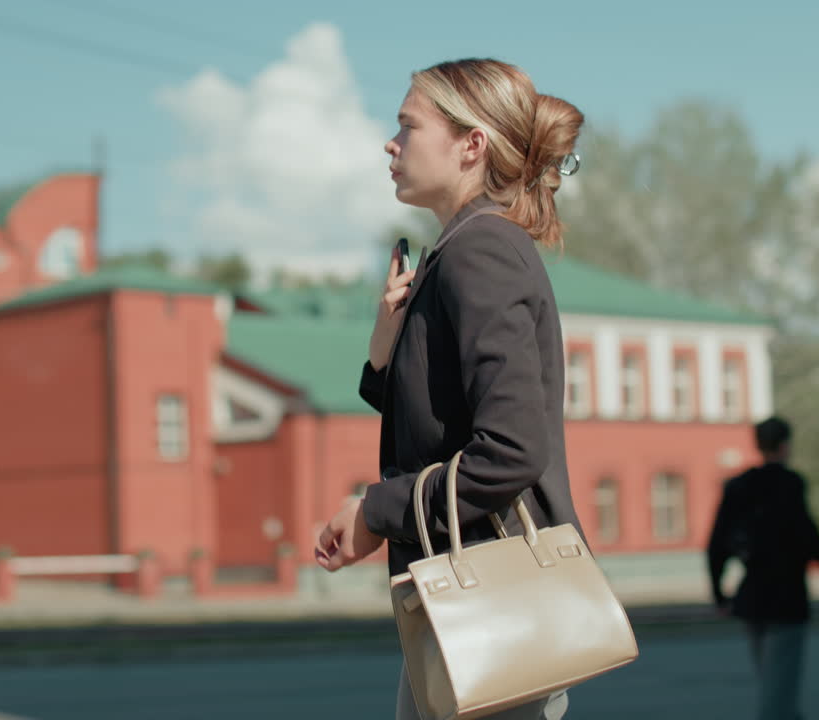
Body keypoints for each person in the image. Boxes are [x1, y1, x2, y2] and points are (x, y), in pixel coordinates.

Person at [313, 58, 585, 720]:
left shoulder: (481, 251)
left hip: (496, 608)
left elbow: (513, 450)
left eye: (408, 125)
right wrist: (385, 353)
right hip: (466, 608)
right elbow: (440, 418)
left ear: (471, 145)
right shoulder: (460, 251)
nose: (391, 141)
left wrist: (378, 512)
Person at [707, 416, 819, 720]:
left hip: (752, 600)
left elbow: (717, 544)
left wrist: (719, 594)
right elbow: (811, 541)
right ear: (784, 446)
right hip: (786, 600)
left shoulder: (738, 487)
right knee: (778, 698)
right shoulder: (790, 485)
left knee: (773, 687)